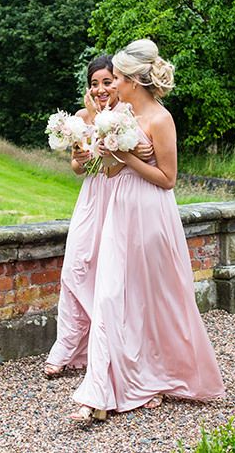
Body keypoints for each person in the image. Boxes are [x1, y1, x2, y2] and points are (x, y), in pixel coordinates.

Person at [69, 39, 225, 425]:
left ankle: (154, 377)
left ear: (135, 81)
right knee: (109, 297)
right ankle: (100, 391)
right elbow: (107, 171)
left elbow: (167, 179)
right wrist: (109, 155)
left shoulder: (160, 119)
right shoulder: (115, 115)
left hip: (152, 214)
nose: (111, 85)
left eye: (118, 78)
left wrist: (127, 159)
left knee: (153, 299)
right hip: (119, 212)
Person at [44, 55, 152, 378]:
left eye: (107, 82)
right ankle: (67, 345)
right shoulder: (82, 117)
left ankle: (111, 349)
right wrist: (79, 155)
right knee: (76, 266)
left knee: (114, 277)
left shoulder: (129, 116)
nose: (101, 88)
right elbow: (79, 168)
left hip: (120, 196)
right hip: (92, 198)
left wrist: (101, 126)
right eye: (95, 83)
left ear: (119, 83)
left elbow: (124, 161)